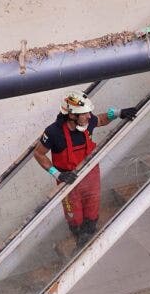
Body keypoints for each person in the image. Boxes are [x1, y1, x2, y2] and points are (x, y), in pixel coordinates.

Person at [35, 92, 138, 247]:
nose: (90, 117)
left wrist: (119, 113)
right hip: (68, 182)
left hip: (91, 176)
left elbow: (101, 119)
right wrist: (57, 174)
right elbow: (38, 153)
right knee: (75, 218)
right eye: (85, 114)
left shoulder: (86, 123)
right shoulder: (53, 132)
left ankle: (90, 237)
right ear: (71, 116)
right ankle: (79, 241)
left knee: (92, 211)